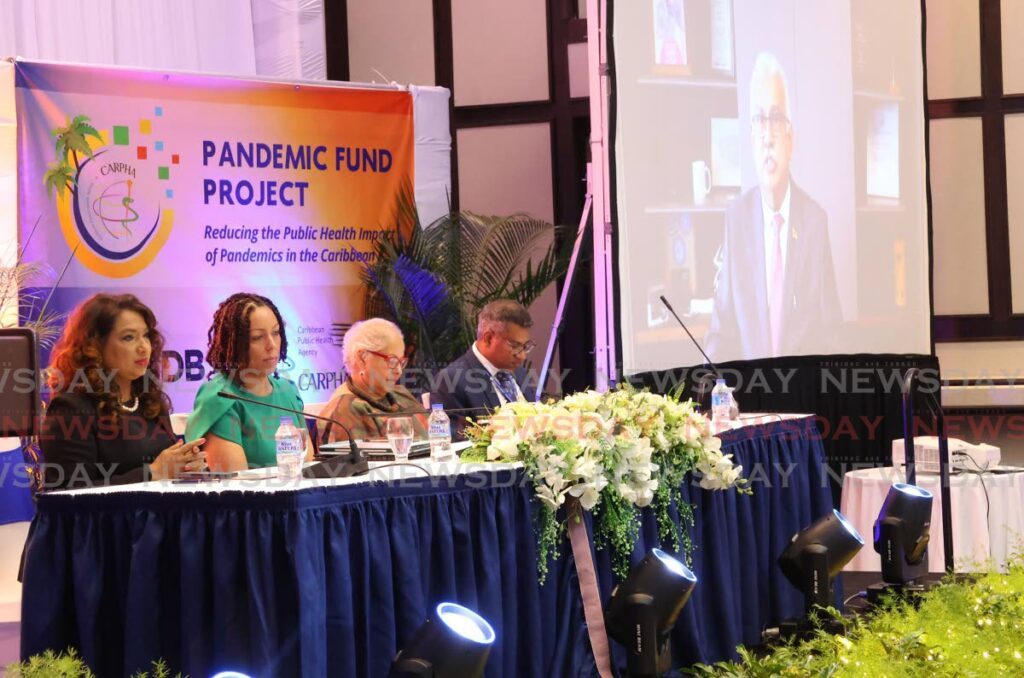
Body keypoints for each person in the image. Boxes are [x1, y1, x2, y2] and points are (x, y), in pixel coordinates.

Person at [706, 51, 841, 361]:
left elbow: (831, 333)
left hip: (803, 399)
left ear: (791, 138)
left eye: (776, 118)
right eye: (759, 120)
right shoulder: (736, 220)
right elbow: (720, 331)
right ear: (751, 136)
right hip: (749, 401)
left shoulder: (814, 222)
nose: (767, 135)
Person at [40, 293, 205, 489]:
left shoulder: (150, 402)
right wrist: (152, 473)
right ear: (95, 346)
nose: (144, 347)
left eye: (145, 336)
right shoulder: (71, 408)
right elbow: (68, 492)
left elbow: (163, 475)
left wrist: (185, 467)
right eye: (129, 337)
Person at [185, 292, 311, 471]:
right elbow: (237, 484)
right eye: (258, 337)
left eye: (275, 333)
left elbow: (308, 464)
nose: (271, 345)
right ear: (236, 343)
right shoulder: (221, 398)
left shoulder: (288, 391)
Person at [433, 299, 537, 439]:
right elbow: (454, 443)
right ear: (488, 338)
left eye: (525, 346)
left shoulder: (519, 372)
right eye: (514, 346)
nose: (522, 356)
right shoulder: (451, 381)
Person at [318, 318, 427, 443]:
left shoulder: (400, 394)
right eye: (392, 361)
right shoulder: (345, 410)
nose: (399, 371)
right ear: (362, 358)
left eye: (401, 362)